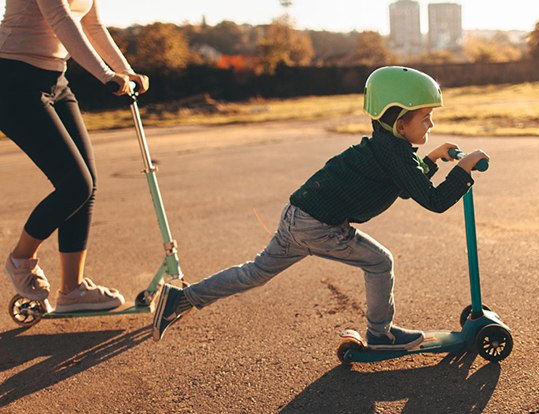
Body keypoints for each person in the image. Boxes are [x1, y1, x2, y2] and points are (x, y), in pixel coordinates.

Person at [153, 66, 489, 349]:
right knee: (379, 262)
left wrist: (431, 159)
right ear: (401, 123)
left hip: (298, 216)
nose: (430, 125)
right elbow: (434, 201)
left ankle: (180, 299)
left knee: (254, 272)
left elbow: (406, 184)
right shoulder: (397, 154)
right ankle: (380, 333)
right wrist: (463, 169)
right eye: (426, 118)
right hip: (319, 227)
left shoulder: (386, 147)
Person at [0, 0, 149, 312]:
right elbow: (60, 17)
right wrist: (105, 74)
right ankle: (21, 260)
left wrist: (126, 71)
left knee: (87, 186)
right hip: (14, 81)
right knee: (75, 185)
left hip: (56, 80)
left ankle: (72, 290)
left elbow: (92, 25)